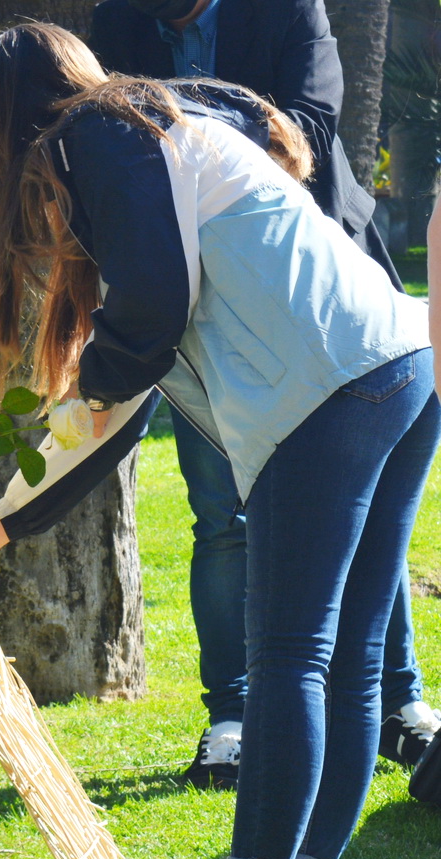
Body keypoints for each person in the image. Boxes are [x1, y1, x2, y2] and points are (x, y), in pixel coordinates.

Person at [0, 23, 441, 859]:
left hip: (328, 392)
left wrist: (8, 506)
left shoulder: (92, 137)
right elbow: (131, 382)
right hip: (399, 362)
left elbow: (148, 321)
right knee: (349, 665)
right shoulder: (156, 120)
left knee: (289, 659)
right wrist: (2, 522)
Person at [88, 0, 440, 789]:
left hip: (322, 298)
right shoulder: (117, 22)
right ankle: (233, 719)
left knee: (367, 524)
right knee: (222, 518)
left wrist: (190, 135)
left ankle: (399, 706)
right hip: (208, 315)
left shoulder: (285, 9)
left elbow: (309, 132)